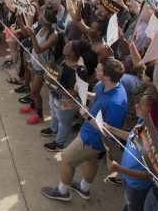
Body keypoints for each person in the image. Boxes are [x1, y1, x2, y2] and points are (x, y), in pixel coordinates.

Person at [42, 57, 128, 202]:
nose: (95, 70)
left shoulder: (117, 103)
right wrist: (84, 92)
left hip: (92, 139)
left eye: (98, 69)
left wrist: (88, 117)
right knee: (91, 160)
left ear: (106, 76)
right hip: (89, 133)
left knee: (67, 159)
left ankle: (62, 192)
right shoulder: (107, 85)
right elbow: (98, 97)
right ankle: (84, 188)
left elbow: (108, 131)